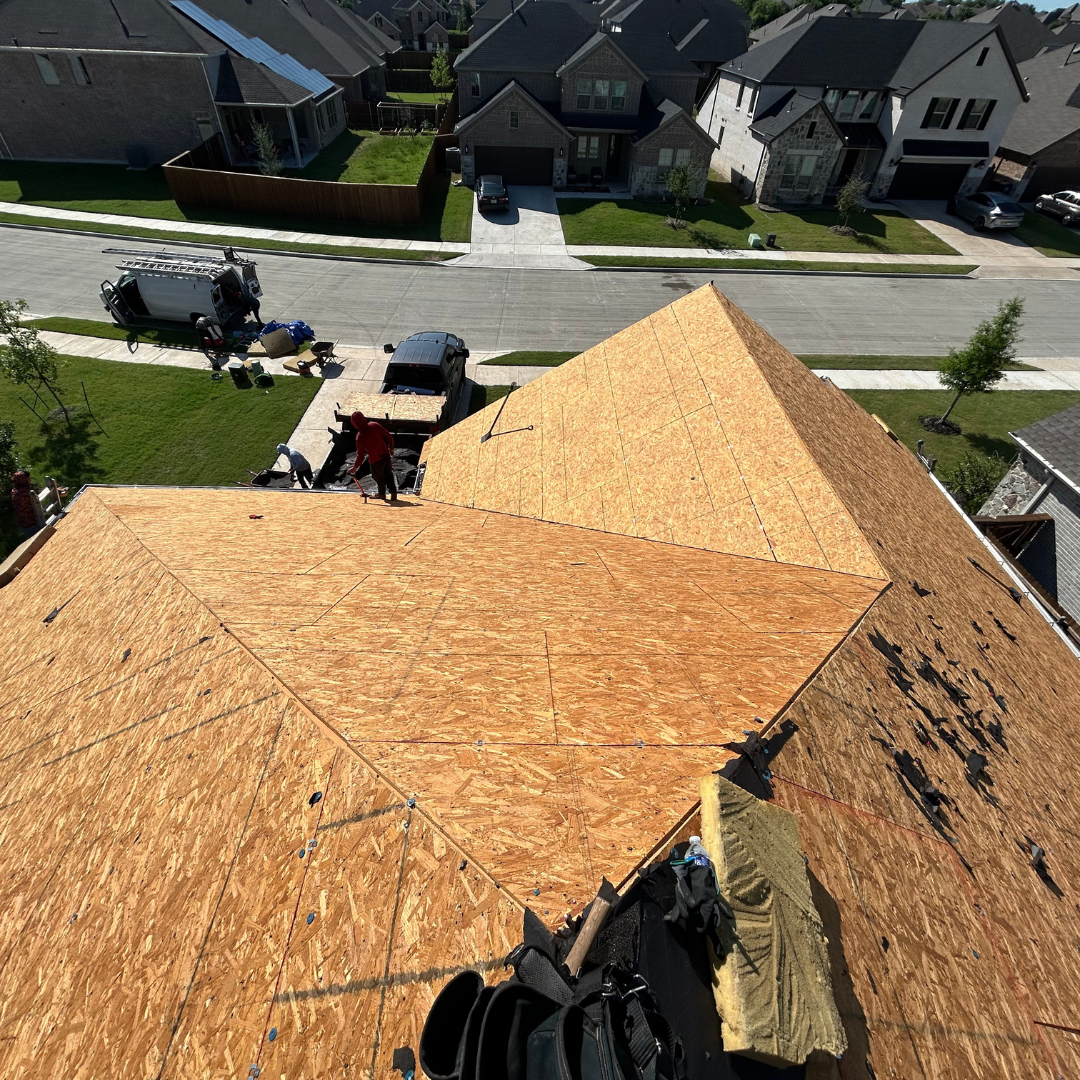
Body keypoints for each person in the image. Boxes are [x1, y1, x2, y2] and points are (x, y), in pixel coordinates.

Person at [348, 411, 397, 501]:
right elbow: (388, 436)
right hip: (386, 456)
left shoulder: (359, 437)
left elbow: (360, 455)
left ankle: (382, 494)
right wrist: (391, 448)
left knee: (379, 478)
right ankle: (394, 494)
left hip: (376, 460)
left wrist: (355, 467)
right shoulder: (375, 425)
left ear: (354, 423)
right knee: (389, 475)